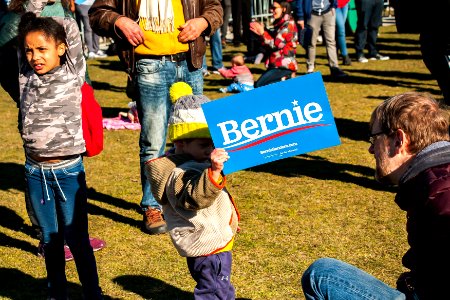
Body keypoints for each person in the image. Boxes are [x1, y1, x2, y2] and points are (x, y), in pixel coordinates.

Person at [89, 0, 223, 234]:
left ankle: (202, 205)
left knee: (200, 140)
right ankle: (152, 207)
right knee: (153, 143)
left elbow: (215, 7)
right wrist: (120, 21)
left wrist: (203, 22)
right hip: (149, 65)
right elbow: (98, 13)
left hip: (190, 64)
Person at [301, 92, 450, 299]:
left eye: (375, 138)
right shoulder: (435, 180)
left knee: (321, 275)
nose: (371, 149)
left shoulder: (441, 194)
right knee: (326, 274)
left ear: (399, 140)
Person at [17, 0, 103, 298]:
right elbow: (25, 25)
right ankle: (57, 292)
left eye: (42, 49)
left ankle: (92, 292)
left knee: (77, 238)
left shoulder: (72, 74)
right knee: (51, 239)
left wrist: (49, 6)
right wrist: (33, 9)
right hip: (35, 172)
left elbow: (69, 29)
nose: (35, 56)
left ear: (61, 49)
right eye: (29, 50)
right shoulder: (24, 76)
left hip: (68, 171)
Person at [146, 82, 240, 299]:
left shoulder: (191, 161)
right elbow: (194, 198)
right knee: (214, 291)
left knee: (220, 287)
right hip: (207, 246)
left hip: (208, 241)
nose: (211, 150)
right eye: (204, 144)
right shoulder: (181, 172)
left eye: (213, 143)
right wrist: (214, 172)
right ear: (181, 143)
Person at [250, 0, 298, 88]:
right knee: (259, 86)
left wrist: (262, 33)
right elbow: (271, 40)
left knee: (259, 85)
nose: (271, 10)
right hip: (276, 64)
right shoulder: (280, 22)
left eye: (274, 8)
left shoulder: (288, 25)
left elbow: (276, 45)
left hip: (284, 66)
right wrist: (263, 31)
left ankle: (287, 79)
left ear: (284, 9)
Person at [295, 0, 348, 78]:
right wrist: (300, 17)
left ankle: (334, 67)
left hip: (328, 12)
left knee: (331, 41)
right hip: (312, 14)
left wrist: (333, 5)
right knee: (311, 42)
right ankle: (310, 68)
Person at [335, 0, 351, 65]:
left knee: (339, 30)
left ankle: (334, 53)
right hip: (334, 5)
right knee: (341, 30)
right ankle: (345, 56)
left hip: (345, 3)